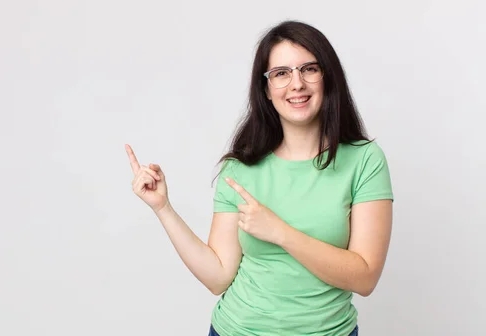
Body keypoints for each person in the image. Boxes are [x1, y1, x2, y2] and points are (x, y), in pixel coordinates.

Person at [125, 20, 393, 336]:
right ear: (266, 89)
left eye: (309, 69)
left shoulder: (364, 160)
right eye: (281, 73)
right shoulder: (240, 168)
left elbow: (365, 277)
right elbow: (218, 277)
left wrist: (279, 232)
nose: (296, 84)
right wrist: (163, 208)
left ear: (327, 77)